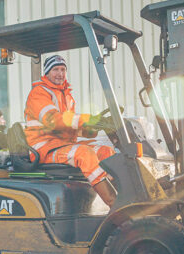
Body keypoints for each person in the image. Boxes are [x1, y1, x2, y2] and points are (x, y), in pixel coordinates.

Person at [24, 54, 117, 206]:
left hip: (62, 145)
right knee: (84, 153)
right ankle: (115, 204)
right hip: (44, 147)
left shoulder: (67, 96)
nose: (60, 74)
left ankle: (123, 197)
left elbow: (71, 126)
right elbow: (54, 121)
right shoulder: (39, 93)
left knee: (106, 151)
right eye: (55, 69)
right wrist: (87, 119)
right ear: (47, 73)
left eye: (63, 69)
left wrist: (93, 128)